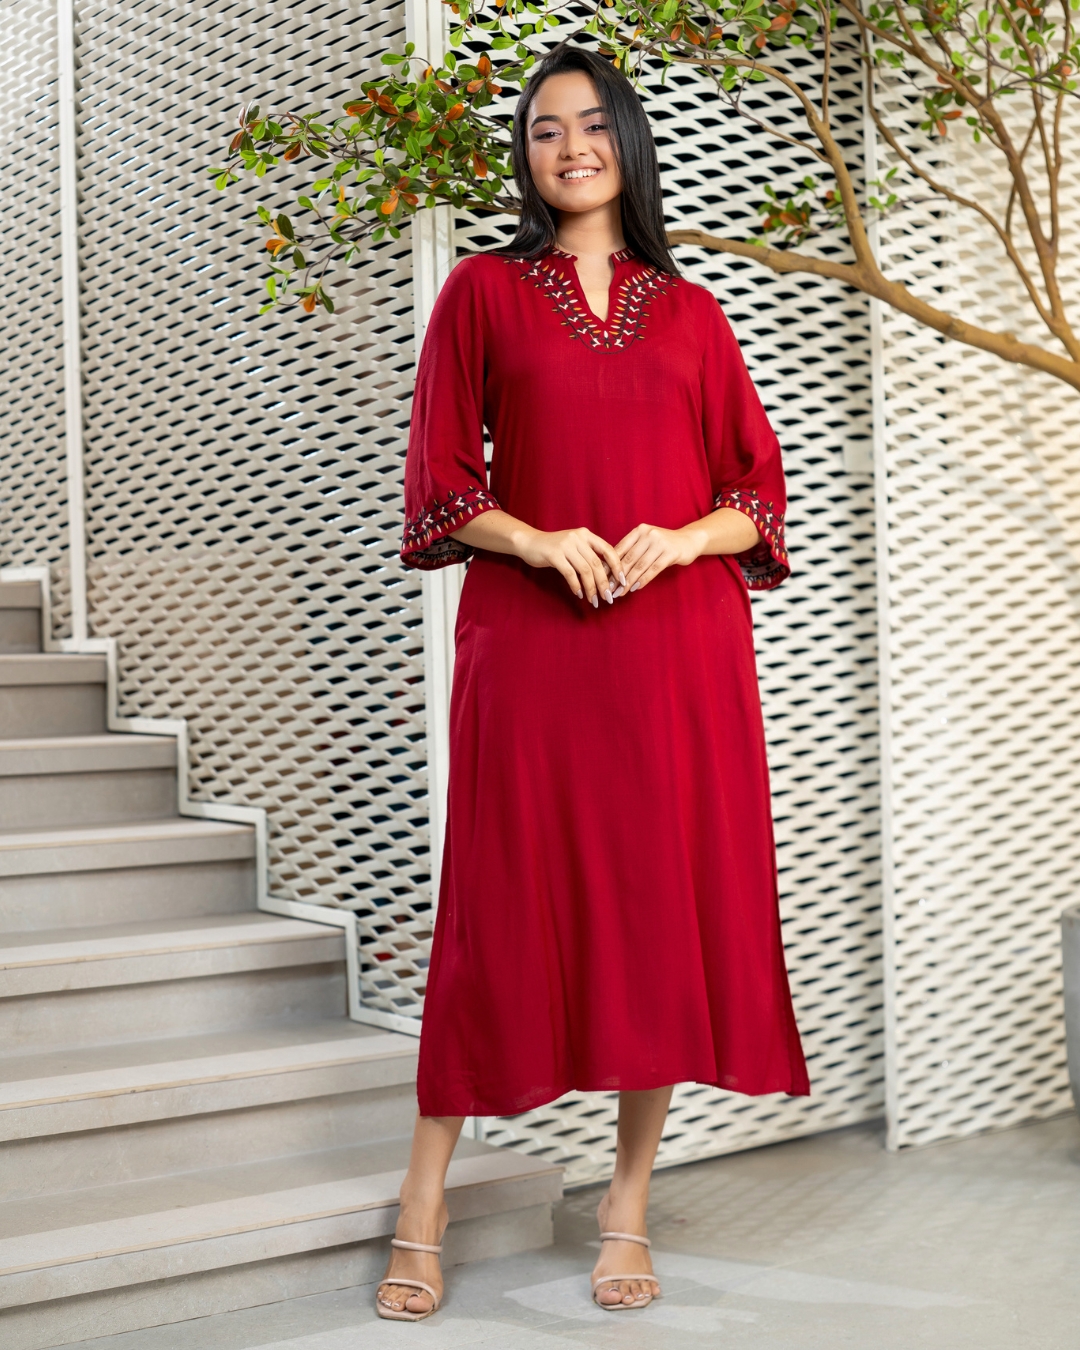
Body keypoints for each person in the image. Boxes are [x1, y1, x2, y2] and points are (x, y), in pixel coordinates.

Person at [376, 42, 810, 1322]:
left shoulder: (693, 313)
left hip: (677, 651)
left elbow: (755, 493)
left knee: (658, 908)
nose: (569, 148)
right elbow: (441, 485)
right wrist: (534, 536)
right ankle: (420, 1206)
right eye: (545, 129)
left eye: (591, 124)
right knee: (498, 911)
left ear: (627, 139)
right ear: (528, 155)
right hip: (534, 647)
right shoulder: (481, 293)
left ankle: (626, 1207)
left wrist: (678, 536)